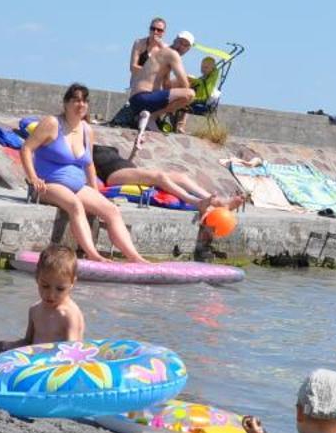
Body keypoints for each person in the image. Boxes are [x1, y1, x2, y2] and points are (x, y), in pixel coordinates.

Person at [19, 83, 146, 263]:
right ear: (66, 103)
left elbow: (89, 164)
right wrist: (33, 177)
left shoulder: (87, 129)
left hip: (77, 185)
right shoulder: (52, 123)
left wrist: (95, 190)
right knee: (75, 205)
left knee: (111, 210)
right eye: (76, 100)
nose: (81, 104)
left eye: (85, 101)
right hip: (48, 184)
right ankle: (93, 255)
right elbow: (26, 149)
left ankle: (135, 257)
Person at [91, 141, 243, 213]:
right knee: (159, 176)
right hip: (113, 176)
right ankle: (196, 202)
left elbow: (123, 163)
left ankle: (219, 202)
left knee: (180, 177)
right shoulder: (85, 148)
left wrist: (135, 150)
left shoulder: (103, 146)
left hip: (127, 169)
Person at [0, 244, 86, 352]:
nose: (51, 294)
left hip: (56, 366)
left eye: (60, 289)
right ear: (37, 278)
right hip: (37, 362)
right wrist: (8, 346)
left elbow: (72, 352)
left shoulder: (69, 315)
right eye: (45, 286)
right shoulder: (34, 310)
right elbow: (28, 342)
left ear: (72, 283)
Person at [125, 31, 196, 152]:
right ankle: (152, 117)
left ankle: (144, 116)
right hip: (144, 97)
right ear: (175, 40)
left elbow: (166, 84)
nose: (181, 46)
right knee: (190, 94)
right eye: (180, 42)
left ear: (189, 48)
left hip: (137, 100)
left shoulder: (164, 53)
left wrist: (174, 94)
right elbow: (185, 84)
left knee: (182, 91)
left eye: (185, 45)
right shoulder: (172, 54)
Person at [128, 16, 168, 81]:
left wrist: (161, 45)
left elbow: (166, 71)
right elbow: (133, 67)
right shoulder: (139, 43)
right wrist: (152, 71)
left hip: (155, 85)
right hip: (137, 83)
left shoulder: (165, 48)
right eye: (153, 29)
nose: (155, 32)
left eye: (159, 30)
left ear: (163, 32)